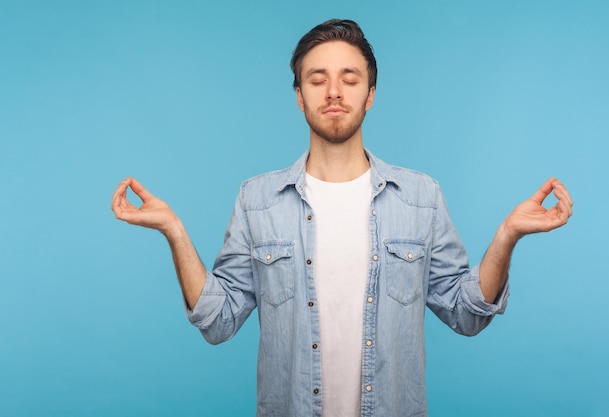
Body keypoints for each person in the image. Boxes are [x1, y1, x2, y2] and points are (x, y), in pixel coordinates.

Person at [111, 19, 573, 417]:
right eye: (317, 79)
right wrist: (173, 230)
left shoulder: (420, 197)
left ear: (370, 94)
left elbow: (466, 313)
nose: (333, 91)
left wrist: (508, 234)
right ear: (299, 96)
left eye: (349, 78)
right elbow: (218, 320)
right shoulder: (257, 200)